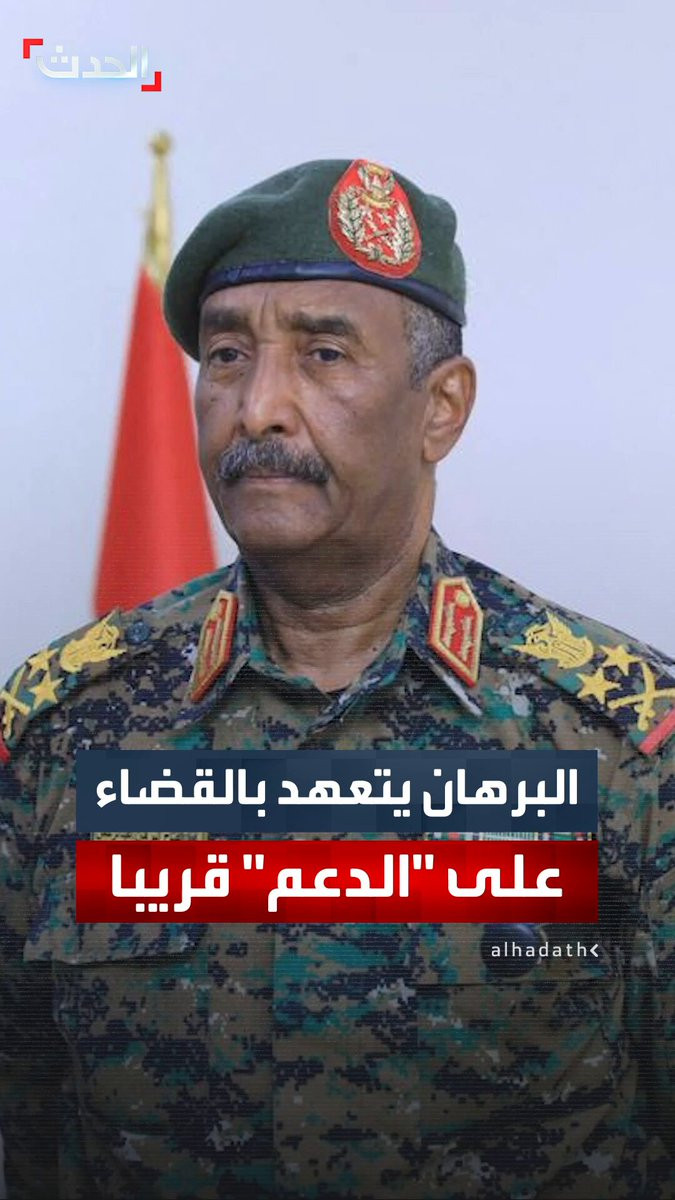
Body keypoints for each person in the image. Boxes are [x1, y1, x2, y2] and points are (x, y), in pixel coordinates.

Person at [0, 157, 673, 1200]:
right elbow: (33, 1132)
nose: (258, 408)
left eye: (322, 354)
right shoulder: (64, 729)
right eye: (227, 355)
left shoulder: (621, 744)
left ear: (441, 407)